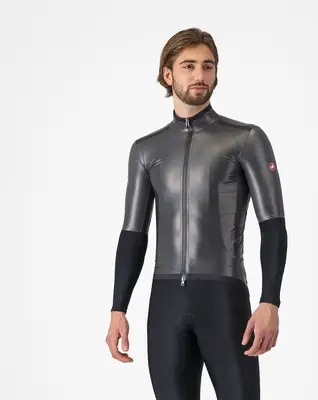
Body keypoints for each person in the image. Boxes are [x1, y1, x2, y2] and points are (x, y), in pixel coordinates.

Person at [105, 27, 288, 400]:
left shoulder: (246, 139)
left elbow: (273, 226)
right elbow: (133, 234)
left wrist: (270, 300)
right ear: (168, 74)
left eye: (208, 66)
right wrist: (118, 308)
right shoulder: (146, 150)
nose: (200, 75)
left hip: (224, 301)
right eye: (188, 66)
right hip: (166, 304)